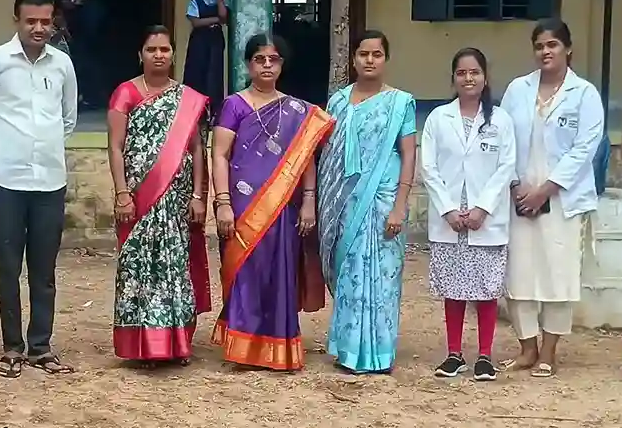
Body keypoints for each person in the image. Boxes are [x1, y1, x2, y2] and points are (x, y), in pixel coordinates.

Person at [209, 33, 336, 371]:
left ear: (282, 64)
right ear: (248, 64)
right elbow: (219, 155)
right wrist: (223, 203)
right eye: (259, 59)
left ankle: (277, 347)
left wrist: (308, 201)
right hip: (243, 205)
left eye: (273, 59)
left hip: (283, 206)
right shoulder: (234, 105)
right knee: (246, 270)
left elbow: (305, 159)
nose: (267, 65)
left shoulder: (297, 111)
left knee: (279, 271)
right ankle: (243, 348)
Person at [0, 0, 79, 378]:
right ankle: (11, 347)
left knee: (43, 270)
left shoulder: (62, 64)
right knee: (7, 266)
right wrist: (10, 148)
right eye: (30, 21)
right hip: (7, 181)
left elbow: (68, 118)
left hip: (49, 182)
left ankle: (41, 346)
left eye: (45, 22)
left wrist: (43, 147)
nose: (38, 28)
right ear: (16, 20)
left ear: (53, 23)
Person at [499, 18, 605, 378]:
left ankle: (548, 352)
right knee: (519, 274)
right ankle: (527, 348)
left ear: (568, 48)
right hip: (518, 197)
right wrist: (516, 186)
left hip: (562, 199)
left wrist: (546, 189)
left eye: (553, 45)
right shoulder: (518, 89)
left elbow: (585, 148)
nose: (546, 51)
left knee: (558, 275)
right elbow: (503, 138)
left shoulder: (584, 94)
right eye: (540, 46)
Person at [106, 25, 212, 365]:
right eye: (151, 49)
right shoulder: (125, 94)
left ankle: (176, 343)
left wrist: (198, 195)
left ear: (173, 54)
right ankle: (143, 346)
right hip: (138, 199)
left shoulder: (186, 99)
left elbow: (197, 149)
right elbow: (115, 146)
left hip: (177, 201)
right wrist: (122, 193)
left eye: (164, 49)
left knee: (173, 265)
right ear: (140, 55)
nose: (158, 55)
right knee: (139, 268)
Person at [318, 31, 418, 374]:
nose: (370, 60)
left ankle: (380, 353)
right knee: (349, 274)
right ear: (354, 58)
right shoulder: (338, 102)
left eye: (377, 54)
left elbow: (408, 154)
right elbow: (328, 157)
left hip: (384, 200)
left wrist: (400, 205)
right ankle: (348, 350)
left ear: (386, 59)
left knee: (383, 278)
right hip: (345, 202)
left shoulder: (401, 103)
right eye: (364, 54)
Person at [420, 47, 517, 382]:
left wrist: (482, 208)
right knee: (453, 287)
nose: (468, 78)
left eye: (474, 72)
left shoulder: (501, 120)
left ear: (485, 77)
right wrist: (448, 209)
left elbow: (506, 167)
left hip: (485, 216)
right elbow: (429, 167)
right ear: (453, 79)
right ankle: (454, 354)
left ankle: (485, 356)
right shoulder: (438, 119)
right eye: (461, 73)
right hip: (450, 216)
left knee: (486, 288)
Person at [181, 0, 229, 125]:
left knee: (214, 75)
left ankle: (213, 114)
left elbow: (224, 17)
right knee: (196, 73)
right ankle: (194, 113)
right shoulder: (196, 0)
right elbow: (196, 22)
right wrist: (216, 20)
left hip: (216, 40)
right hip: (200, 40)